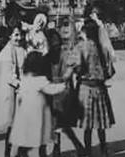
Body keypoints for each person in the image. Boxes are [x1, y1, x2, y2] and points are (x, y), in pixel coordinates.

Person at [69, 18, 115, 157]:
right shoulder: (104, 48)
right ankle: (103, 151)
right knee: (101, 124)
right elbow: (110, 71)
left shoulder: (80, 47)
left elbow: (75, 67)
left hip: (85, 89)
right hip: (100, 88)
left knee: (87, 125)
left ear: (84, 32)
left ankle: (88, 152)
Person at [10, 51, 66, 157]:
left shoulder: (24, 78)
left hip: (25, 112)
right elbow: (51, 89)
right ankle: (40, 153)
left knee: (25, 136)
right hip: (38, 113)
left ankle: (21, 153)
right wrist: (63, 86)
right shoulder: (40, 80)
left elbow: (19, 94)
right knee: (40, 135)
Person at [43, 28, 84, 157]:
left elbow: (69, 70)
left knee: (58, 122)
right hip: (56, 89)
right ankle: (65, 147)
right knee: (59, 123)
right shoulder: (51, 54)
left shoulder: (62, 53)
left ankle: (61, 148)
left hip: (60, 90)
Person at [0, 26, 28, 157]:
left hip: (23, 90)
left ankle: (21, 153)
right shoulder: (7, 51)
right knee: (13, 125)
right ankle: (8, 153)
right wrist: (20, 85)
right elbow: (9, 75)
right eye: (15, 35)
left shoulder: (22, 49)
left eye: (20, 35)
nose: (19, 38)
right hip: (13, 91)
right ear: (9, 36)